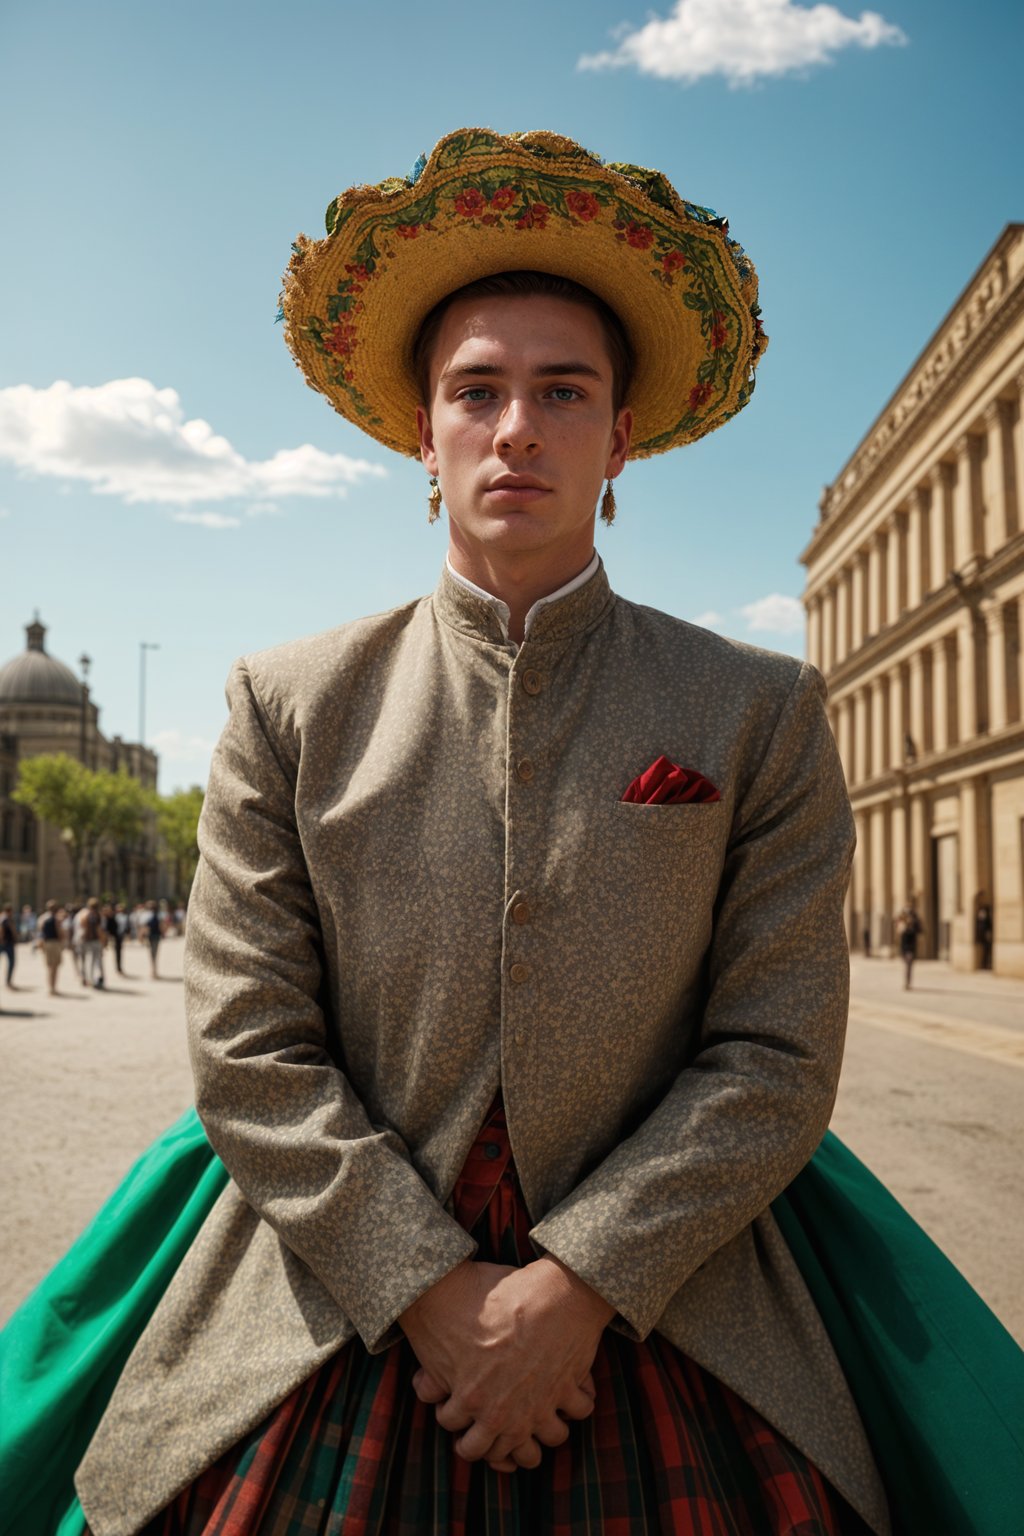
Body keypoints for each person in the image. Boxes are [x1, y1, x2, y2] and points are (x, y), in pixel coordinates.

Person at [3, 130, 1021, 1536]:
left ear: (622, 438)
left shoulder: (758, 708)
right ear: (423, 434)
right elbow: (248, 1046)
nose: (517, 429)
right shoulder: (288, 703)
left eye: (564, 391)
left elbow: (779, 1054)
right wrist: (431, 1295)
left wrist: (577, 1287)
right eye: (475, 392)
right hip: (340, 1303)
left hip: (673, 1306)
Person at [37, 899, 64, 995]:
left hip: (46, 943)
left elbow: (40, 932)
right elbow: (59, 932)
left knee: (49, 967)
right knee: (55, 967)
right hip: (55, 943)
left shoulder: (42, 918)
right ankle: (53, 987)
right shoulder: (56, 919)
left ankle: (50, 987)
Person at [896, 901, 922, 990]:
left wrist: (912, 926)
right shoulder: (902, 916)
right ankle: (907, 982)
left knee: (908, 964)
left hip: (911, 945)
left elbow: (920, 930)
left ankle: (907, 982)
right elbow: (898, 928)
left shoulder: (915, 917)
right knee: (907, 964)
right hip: (904, 945)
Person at [143, 899, 162, 979]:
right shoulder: (151, 915)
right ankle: (154, 970)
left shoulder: (152, 915)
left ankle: (153, 970)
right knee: (153, 953)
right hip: (153, 936)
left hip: (154, 936)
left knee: (153, 953)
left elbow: (145, 927)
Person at [0, 903, 17, 989]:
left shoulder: (3, 917)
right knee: (11, 962)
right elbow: (2, 930)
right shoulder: (5, 919)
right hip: (6, 943)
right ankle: (8, 981)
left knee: (11, 962)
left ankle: (8, 980)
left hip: (5, 943)